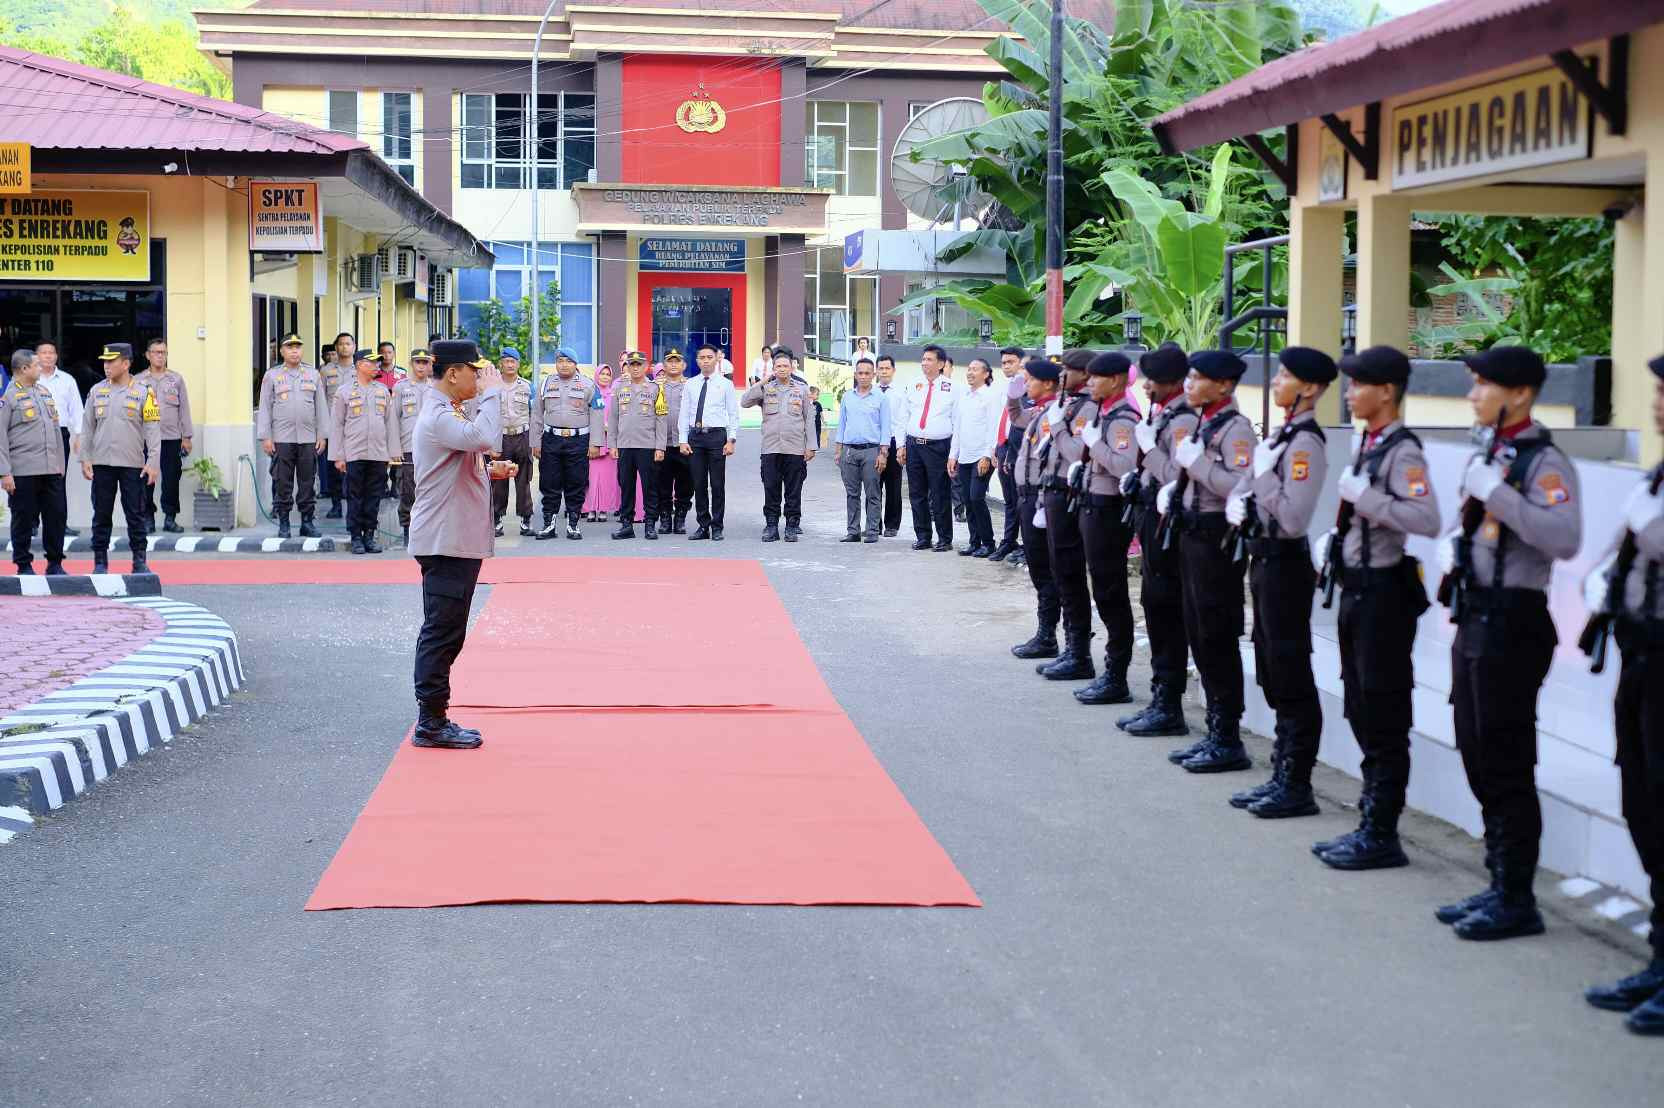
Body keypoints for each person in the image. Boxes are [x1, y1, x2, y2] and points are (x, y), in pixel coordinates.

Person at [1433, 345, 1581, 941]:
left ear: (1518, 395)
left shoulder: (1543, 462)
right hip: (1476, 616)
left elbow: (1562, 537)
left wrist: (1496, 493)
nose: (1472, 396)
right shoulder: (1494, 451)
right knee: (1475, 745)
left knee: (1506, 757)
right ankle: (1498, 881)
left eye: (1482, 386)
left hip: (1514, 622)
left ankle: (1517, 896)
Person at [1308, 345, 1441, 867]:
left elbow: (1426, 519)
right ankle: (1370, 819)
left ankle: (1382, 831)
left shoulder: (1402, 451)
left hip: (1385, 594)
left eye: (1358, 385)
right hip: (1358, 587)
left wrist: (1368, 501)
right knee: (1360, 702)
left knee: (1383, 710)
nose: (1349, 393)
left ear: (1386, 391)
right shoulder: (1371, 442)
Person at [1581, 353, 1664, 1034]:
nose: (1657, 402)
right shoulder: (1658, 476)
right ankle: (1660, 959)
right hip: (1641, 659)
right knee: (1642, 801)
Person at [1223, 347, 1334, 818]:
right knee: (1270, 665)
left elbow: (1291, 517)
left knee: (1290, 671)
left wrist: (1264, 480)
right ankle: (1281, 772)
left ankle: (1296, 782)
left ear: (1308, 388)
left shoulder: (1306, 442)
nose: (1277, 381)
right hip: (1263, 558)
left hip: (1286, 563)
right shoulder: (1285, 434)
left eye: (1286, 375)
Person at [408, 339, 517, 750]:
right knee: (441, 631)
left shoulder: (447, 413)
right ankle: (430, 721)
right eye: (476, 371)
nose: (481, 378)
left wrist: (489, 471)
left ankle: (435, 715)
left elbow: (465, 454)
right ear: (454, 373)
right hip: (445, 540)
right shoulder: (437, 415)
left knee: (449, 631)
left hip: (455, 538)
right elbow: (484, 435)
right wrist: (493, 392)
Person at [1161, 349, 1257, 773]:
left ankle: (1228, 737)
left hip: (1216, 540)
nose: (1189, 384)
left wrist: (1195, 464)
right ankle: (1216, 731)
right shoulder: (1208, 420)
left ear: (1223, 385)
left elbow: (1236, 485)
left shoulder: (1236, 430)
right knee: (1199, 634)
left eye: (1198, 378)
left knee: (1216, 636)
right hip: (1193, 536)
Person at [1117, 344, 1195, 737]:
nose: (1146, 387)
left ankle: (1169, 705)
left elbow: (1178, 475)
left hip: (1169, 526)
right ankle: (1161, 698)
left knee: (1166, 610)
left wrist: (1147, 452)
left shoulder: (1182, 419)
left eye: (1154, 380)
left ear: (1173, 382)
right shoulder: (1162, 413)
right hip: (1151, 520)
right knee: (1154, 605)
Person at [1068, 351, 1142, 705]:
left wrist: (1094, 444)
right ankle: (1108, 671)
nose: (1090, 382)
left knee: (1111, 594)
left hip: (1110, 511)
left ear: (1115, 380)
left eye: (1096, 378)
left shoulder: (1123, 418)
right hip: (1092, 507)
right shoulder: (1104, 412)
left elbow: (1124, 465)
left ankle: (1117, 676)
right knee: (1101, 589)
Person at [1033, 349, 1099, 681]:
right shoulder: (1070, 403)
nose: (1061, 377)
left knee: (1071, 574)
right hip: (1055, 492)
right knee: (1061, 573)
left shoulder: (1087, 407)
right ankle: (1072, 649)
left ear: (1084, 374)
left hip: (1070, 494)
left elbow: (1076, 453)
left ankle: (1080, 653)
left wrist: (1057, 428)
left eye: (1067, 371)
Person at [81, 343, 161, 575]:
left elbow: (153, 429)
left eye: (111, 361)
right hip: (102, 464)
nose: (105, 366)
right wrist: (85, 458)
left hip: (132, 465)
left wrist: (153, 461)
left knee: (135, 515)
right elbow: (87, 428)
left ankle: (139, 560)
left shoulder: (144, 392)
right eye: (104, 361)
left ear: (125, 364)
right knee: (101, 514)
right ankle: (100, 561)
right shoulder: (97, 391)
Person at [1010, 357, 1064, 661]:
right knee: (1038, 566)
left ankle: (1049, 636)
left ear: (1047, 383)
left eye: (1029, 379)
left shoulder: (1054, 414)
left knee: (1047, 567)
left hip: (1041, 497)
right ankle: (1046, 634)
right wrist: (1013, 392)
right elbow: (1015, 416)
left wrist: (1042, 498)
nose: (1026, 383)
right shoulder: (1039, 411)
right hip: (1027, 496)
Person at [1, 348, 68, 575]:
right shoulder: (8, 397)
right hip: (23, 469)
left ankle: (55, 562)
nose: (41, 368)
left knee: (56, 516)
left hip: (51, 469)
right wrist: (5, 472)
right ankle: (23, 563)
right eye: (37, 365)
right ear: (24, 369)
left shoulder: (43, 392)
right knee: (23, 518)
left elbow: (56, 431)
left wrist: (60, 465)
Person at [741, 346, 816, 542]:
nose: (782, 369)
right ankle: (771, 525)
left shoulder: (801, 389)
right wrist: (763, 381)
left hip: (795, 448)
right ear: (773, 368)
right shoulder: (766, 388)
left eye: (785, 365)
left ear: (792, 367)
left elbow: (809, 418)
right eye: (778, 366)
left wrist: (811, 446)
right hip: (771, 448)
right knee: (771, 488)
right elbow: (744, 401)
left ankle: (791, 526)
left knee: (793, 490)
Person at [258, 334, 329, 540]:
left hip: (308, 438)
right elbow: (265, 407)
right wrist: (266, 437)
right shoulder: (272, 376)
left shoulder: (313, 374)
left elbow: (321, 407)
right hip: (282, 438)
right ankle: (284, 522)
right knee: (282, 482)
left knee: (308, 482)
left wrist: (322, 435)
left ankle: (307, 522)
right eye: (290, 347)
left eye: (298, 347)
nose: (294, 351)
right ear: (281, 351)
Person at [332, 349, 401, 555]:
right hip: (354, 453)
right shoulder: (344, 392)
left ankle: (369, 535)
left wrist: (393, 452)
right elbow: (337, 425)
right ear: (360, 365)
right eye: (372, 363)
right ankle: (355, 537)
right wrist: (338, 456)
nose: (377, 367)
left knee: (374, 496)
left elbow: (391, 424)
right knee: (355, 496)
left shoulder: (382, 391)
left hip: (378, 454)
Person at [532, 347, 603, 541]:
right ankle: (549, 524)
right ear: (556, 363)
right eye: (560, 361)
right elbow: (537, 414)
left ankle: (573, 524)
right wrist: (535, 442)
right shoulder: (546, 383)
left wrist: (595, 443)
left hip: (578, 440)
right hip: (551, 439)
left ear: (575, 364)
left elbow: (597, 415)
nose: (564, 365)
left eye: (568, 361)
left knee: (576, 482)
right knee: (549, 482)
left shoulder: (588, 384)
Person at [895, 344, 958, 551]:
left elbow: (956, 422)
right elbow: (903, 417)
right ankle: (923, 536)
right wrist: (901, 445)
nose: (924, 363)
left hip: (938, 447)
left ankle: (944, 538)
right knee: (917, 493)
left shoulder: (951, 388)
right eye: (923, 359)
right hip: (914, 445)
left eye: (929, 359)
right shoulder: (913, 385)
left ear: (940, 364)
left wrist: (953, 453)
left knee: (939, 493)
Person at [679, 342, 740, 541]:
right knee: (698, 484)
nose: (705, 361)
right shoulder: (690, 384)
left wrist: (731, 440)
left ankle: (717, 526)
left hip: (716, 437)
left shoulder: (726, 384)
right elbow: (684, 413)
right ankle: (703, 525)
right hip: (695, 437)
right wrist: (682, 440)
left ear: (716, 359)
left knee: (717, 484)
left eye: (709, 357)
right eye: (701, 358)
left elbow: (733, 414)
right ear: (697, 361)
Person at [133, 337, 192, 534]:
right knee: (145, 481)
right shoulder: (138, 381)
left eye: (163, 352)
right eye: (156, 352)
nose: (160, 356)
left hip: (171, 438)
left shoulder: (176, 379)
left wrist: (187, 437)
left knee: (171, 480)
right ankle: (148, 518)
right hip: (145, 440)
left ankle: (170, 518)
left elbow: (184, 409)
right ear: (148, 355)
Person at [609, 349, 667, 540]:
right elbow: (614, 418)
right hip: (625, 445)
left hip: (647, 446)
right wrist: (612, 444)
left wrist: (660, 447)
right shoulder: (619, 389)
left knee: (650, 487)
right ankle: (627, 524)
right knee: (626, 486)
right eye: (631, 365)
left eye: (638, 365)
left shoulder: (655, 389)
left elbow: (661, 419)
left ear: (646, 367)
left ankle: (650, 524)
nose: (634, 368)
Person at [947, 356, 1000, 557]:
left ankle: (988, 543)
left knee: (977, 497)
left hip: (981, 456)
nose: (970, 372)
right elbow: (958, 429)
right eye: (969, 368)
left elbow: (994, 429)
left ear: (986, 374)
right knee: (968, 501)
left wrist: (987, 456)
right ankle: (974, 542)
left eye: (975, 369)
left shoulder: (991, 396)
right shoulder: (965, 397)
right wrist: (953, 455)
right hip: (965, 457)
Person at [835, 356, 890, 543]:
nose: (864, 376)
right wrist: (838, 450)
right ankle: (853, 531)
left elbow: (885, 427)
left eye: (868, 373)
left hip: (871, 451)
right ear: (855, 375)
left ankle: (872, 530)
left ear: (873, 375)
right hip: (849, 451)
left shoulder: (881, 398)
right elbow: (842, 424)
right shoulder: (847, 397)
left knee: (873, 493)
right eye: (860, 373)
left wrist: (883, 454)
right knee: (852, 493)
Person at [34, 340, 83, 537]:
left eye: (51, 352)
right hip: (33, 435)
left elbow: (76, 409)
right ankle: (31, 524)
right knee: (33, 479)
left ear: (56, 356)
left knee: (58, 480)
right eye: (44, 352)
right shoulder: (29, 379)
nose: (48, 356)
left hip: (60, 435)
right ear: (36, 357)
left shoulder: (67, 380)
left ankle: (60, 524)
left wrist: (79, 435)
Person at [489, 348, 535, 537]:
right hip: (500, 437)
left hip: (522, 435)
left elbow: (535, 414)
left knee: (523, 479)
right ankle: (497, 519)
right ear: (501, 363)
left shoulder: (527, 386)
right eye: (506, 361)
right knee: (498, 480)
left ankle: (525, 519)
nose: (509, 365)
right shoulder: (492, 386)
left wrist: (534, 441)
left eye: (513, 361)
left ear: (518, 364)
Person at [990, 347, 1028, 563]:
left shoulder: (1029, 390)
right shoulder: (1004, 388)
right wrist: (996, 448)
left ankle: (1025, 543)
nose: (1006, 366)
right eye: (1003, 362)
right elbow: (998, 421)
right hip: (1004, 447)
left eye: (1011, 362)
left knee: (1021, 499)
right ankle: (1008, 541)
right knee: (1010, 500)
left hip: (1020, 451)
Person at [392, 348, 433, 546]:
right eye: (418, 362)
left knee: (432, 491)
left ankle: (428, 531)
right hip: (408, 446)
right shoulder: (401, 388)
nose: (421, 366)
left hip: (432, 449)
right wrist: (395, 448)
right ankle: (407, 529)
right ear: (411, 364)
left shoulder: (436, 389)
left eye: (425, 362)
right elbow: (393, 419)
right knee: (408, 490)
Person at [656, 349, 692, 534]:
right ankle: (664, 518)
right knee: (662, 483)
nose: (673, 364)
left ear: (683, 365)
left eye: (677, 361)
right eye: (670, 361)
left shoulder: (691, 386)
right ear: (664, 365)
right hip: (662, 444)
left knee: (685, 483)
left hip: (684, 443)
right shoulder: (655, 386)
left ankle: (680, 518)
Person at [318, 332, 352, 518]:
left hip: (356, 427)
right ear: (336, 347)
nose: (345, 347)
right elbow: (320, 401)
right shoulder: (325, 371)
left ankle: (353, 506)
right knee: (333, 468)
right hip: (333, 427)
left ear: (353, 347)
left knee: (354, 467)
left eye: (348, 343)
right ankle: (336, 504)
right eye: (341, 344)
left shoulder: (361, 370)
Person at [583, 363, 621, 522]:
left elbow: (619, 416)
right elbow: (584, 416)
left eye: (608, 374)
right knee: (591, 478)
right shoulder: (591, 393)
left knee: (607, 479)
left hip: (610, 440)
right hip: (594, 441)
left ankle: (604, 509)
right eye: (602, 374)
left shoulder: (614, 395)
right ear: (596, 375)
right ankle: (590, 509)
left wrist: (610, 427)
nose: (605, 377)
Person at [875, 354, 905, 537]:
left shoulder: (901, 392)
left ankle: (892, 525)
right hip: (875, 443)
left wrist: (901, 446)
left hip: (894, 442)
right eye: (881, 368)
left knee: (893, 486)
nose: (884, 371)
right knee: (873, 484)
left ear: (893, 370)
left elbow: (902, 421)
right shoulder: (871, 391)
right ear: (876, 371)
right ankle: (874, 524)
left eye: (887, 368)